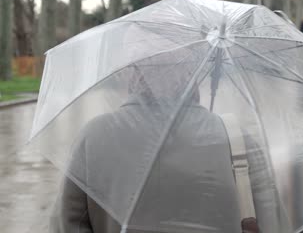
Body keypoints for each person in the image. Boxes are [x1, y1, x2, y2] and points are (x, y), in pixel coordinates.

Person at [49, 64, 263, 233]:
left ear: (132, 74)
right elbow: (272, 220)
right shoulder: (235, 138)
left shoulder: (95, 135)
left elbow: (67, 224)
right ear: (195, 70)